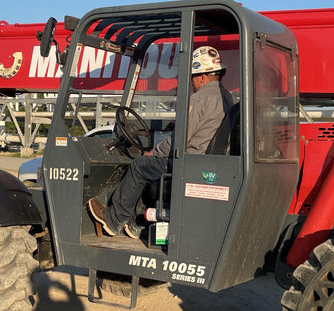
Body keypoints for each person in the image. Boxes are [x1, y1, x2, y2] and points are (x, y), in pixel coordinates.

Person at [88, 45, 234, 239]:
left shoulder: (199, 99)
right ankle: (136, 224)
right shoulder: (227, 97)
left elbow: (180, 140)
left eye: (192, 78)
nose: (192, 83)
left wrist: (155, 152)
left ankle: (114, 219)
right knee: (148, 169)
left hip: (188, 162)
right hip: (206, 162)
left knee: (140, 165)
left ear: (202, 76)